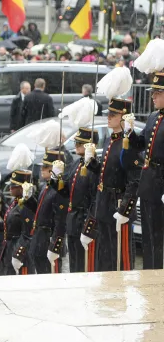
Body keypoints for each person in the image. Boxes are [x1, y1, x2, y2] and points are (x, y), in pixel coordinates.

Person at [83, 98, 140, 271]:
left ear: (123, 118)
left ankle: (120, 295)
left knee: (120, 258)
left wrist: (125, 210)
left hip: (118, 205)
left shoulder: (128, 143)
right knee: (105, 256)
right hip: (105, 204)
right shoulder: (110, 140)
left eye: (113, 115)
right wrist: (92, 163)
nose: (108, 117)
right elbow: (107, 173)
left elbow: (134, 180)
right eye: (108, 114)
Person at [49, 127, 99, 273]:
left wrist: (89, 227)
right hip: (73, 221)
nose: (76, 145)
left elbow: (96, 199)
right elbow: (67, 192)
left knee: (86, 267)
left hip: (84, 221)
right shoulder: (77, 164)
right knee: (74, 267)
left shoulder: (95, 168)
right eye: (76, 142)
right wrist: (55, 179)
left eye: (80, 143)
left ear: (91, 146)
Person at [128, 76, 164, 270]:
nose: (153, 97)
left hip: (161, 180)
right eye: (153, 94)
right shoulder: (153, 116)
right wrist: (130, 133)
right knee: (149, 234)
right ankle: (149, 272)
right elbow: (141, 144)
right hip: (149, 180)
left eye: (157, 94)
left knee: (158, 234)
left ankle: (157, 274)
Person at [24, 149, 67, 275]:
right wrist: (28, 199)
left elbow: (60, 219)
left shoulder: (60, 189)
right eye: (42, 166)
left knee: (52, 275)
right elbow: (39, 210)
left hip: (49, 238)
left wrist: (55, 244)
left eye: (46, 167)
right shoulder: (45, 186)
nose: (42, 169)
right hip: (39, 238)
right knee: (41, 275)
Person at [4, 170, 37, 275]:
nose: (10, 188)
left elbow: (27, 234)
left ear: (22, 188)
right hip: (10, 248)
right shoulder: (15, 202)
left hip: (21, 251)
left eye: (14, 186)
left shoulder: (26, 206)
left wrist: (18, 254)